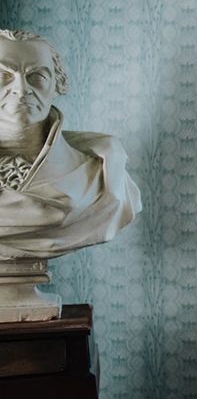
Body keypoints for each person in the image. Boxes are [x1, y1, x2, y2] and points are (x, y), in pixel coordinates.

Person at [0, 29, 140, 260]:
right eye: (3, 76)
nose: (22, 90)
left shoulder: (100, 177)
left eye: (37, 76)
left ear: (58, 84)